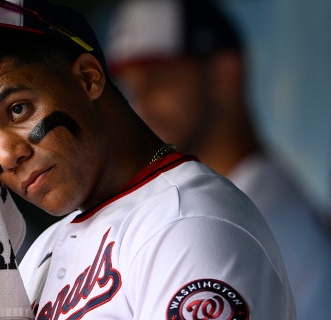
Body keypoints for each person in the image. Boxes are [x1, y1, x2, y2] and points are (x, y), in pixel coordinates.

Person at [0, 0, 296, 318]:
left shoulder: (189, 223)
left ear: (88, 78)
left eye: (18, 110)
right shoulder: (44, 248)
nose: (8, 155)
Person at [103, 0, 331, 318]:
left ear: (224, 74)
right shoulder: (243, 198)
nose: (140, 103)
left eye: (158, 79)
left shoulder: (254, 219)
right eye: (130, 87)